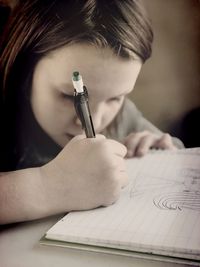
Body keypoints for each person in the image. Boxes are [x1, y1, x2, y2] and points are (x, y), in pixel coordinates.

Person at [0, 0, 184, 224]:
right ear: (26, 67)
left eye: (116, 98)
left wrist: (160, 156)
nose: (94, 121)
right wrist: (47, 186)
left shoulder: (124, 118)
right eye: (70, 96)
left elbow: (183, 168)